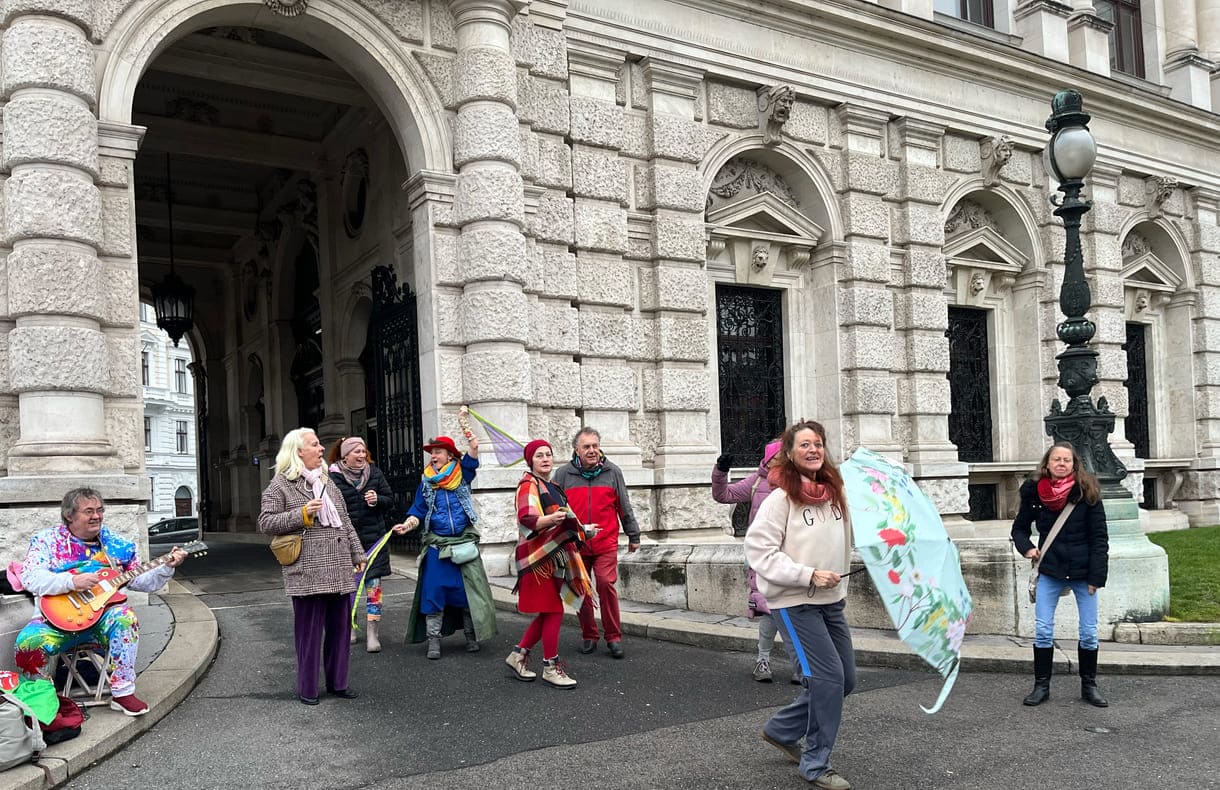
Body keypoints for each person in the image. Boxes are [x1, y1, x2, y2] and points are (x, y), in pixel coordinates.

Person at [744, 420, 855, 790]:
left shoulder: (835, 494)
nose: (814, 450)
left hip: (831, 601)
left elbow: (848, 541)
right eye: (805, 444)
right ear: (790, 454)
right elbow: (759, 552)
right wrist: (808, 575)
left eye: (819, 444)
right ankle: (815, 763)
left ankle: (781, 730)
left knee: (846, 681)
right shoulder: (780, 499)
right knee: (827, 681)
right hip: (794, 603)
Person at [13, 488, 188, 717]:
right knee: (27, 642)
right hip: (53, 622)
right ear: (69, 515)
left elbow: (142, 582)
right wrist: (71, 581)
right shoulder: (46, 541)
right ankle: (41, 701)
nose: (97, 516)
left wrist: (166, 567)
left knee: (125, 617)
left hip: (99, 623)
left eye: (99, 510)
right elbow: (30, 577)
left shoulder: (117, 545)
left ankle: (123, 693)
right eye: (89, 511)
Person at [258, 427, 366, 706]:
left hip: (339, 566)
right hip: (306, 570)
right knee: (309, 634)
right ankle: (308, 688)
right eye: (315, 445)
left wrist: (358, 553)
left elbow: (345, 521)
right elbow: (266, 522)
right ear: (298, 452)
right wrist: (301, 514)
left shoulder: (328, 482)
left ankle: (338, 683)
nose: (321, 449)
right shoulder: (281, 484)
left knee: (340, 630)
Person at [1010, 441, 1109, 708]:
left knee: (1088, 632)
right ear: (1047, 464)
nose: (1062, 464)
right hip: (1051, 570)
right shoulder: (1034, 493)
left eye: (1067, 460)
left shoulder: (1087, 493)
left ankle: (1089, 685)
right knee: (1043, 631)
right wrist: (1028, 549)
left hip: (1083, 572)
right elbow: (1019, 529)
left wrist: (1096, 578)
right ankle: (1041, 686)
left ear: (1074, 464)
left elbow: (1100, 538)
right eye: (1057, 459)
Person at [712, 438, 802, 684]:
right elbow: (723, 494)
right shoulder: (757, 482)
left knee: (793, 611)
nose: (781, 461)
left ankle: (800, 665)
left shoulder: (800, 484)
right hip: (763, 558)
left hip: (793, 556)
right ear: (770, 458)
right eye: (778, 457)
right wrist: (721, 471)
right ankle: (763, 661)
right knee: (770, 611)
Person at [505, 439, 593, 689]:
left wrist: (585, 530)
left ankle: (518, 655)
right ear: (530, 461)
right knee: (554, 610)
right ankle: (550, 667)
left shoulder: (551, 485)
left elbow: (566, 520)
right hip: (538, 558)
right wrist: (550, 519)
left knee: (548, 611)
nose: (545, 459)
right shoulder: (528, 485)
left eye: (548, 454)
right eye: (539, 455)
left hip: (553, 557)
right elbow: (527, 519)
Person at [400, 435, 496, 659]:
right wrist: (408, 524)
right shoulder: (426, 481)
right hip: (438, 547)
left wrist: (472, 442)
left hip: (464, 545)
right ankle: (434, 641)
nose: (433, 456)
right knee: (434, 593)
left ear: (450, 455)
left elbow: (472, 458)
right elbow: (418, 509)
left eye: (438, 452)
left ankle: (472, 636)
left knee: (468, 594)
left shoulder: (463, 474)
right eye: (431, 453)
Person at [552, 427, 640, 659]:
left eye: (595, 446)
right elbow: (551, 506)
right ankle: (589, 634)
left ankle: (613, 636)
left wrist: (634, 534)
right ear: (576, 450)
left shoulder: (613, 472)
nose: (592, 451)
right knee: (580, 589)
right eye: (586, 447)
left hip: (606, 541)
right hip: (577, 543)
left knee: (605, 584)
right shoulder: (563, 474)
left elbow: (624, 504)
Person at [326, 436, 396, 653]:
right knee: (349, 589)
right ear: (345, 455)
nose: (362, 455)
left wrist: (378, 500)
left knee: (374, 590)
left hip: (373, 541)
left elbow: (390, 500)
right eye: (356, 451)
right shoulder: (332, 477)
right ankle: (350, 629)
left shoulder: (374, 473)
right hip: (346, 544)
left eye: (364, 451)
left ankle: (373, 635)